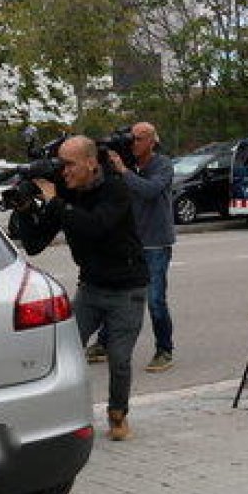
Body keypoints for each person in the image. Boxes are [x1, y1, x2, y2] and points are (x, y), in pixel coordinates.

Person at [10, 135, 148, 440]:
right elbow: (34, 244)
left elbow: (95, 227)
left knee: (119, 357)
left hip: (127, 289)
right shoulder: (66, 194)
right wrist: (24, 209)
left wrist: (55, 201)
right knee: (66, 350)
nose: (64, 170)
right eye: (60, 164)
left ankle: (117, 415)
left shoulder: (116, 188)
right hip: (91, 288)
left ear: (90, 162)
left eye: (69, 164)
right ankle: (60, 416)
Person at [96, 122, 176, 373]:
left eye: (139, 139)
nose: (134, 144)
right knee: (117, 292)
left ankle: (164, 350)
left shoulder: (162, 164)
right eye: (132, 139)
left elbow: (150, 190)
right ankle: (104, 344)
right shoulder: (126, 164)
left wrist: (124, 171)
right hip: (131, 241)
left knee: (154, 300)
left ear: (152, 141)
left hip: (156, 242)